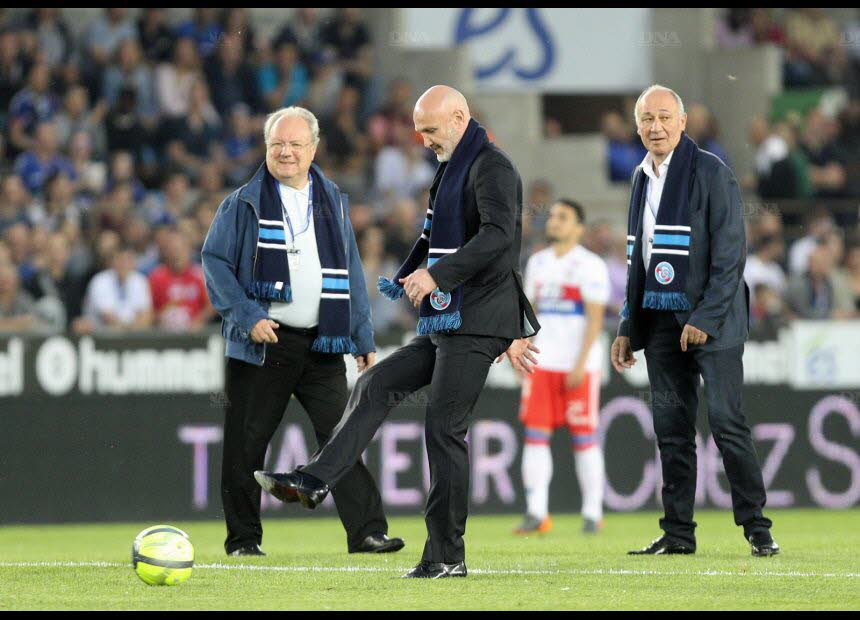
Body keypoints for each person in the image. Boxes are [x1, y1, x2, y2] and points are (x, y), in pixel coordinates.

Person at [254, 85, 541, 579]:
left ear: (458, 117)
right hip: (451, 317)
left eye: (429, 129)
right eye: (418, 131)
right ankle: (315, 480)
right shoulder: (454, 166)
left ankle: (447, 554)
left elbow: (499, 237)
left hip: (476, 319)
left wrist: (439, 276)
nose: (422, 140)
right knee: (376, 383)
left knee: (443, 429)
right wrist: (413, 269)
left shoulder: (492, 165)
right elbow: (436, 235)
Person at [201, 106, 403, 557]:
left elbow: (350, 270)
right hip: (262, 342)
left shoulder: (331, 197)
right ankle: (243, 541)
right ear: (266, 148)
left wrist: (362, 336)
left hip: (323, 341)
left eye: (295, 144)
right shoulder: (242, 202)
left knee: (342, 437)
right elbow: (214, 264)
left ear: (313, 148)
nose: (285, 152)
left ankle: (367, 533)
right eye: (277, 144)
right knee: (245, 445)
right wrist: (246, 316)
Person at [611, 85, 779, 557]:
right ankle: (678, 533)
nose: (655, 127)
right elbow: (638, 260)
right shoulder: (640, 178)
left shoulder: (712, 172)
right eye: (646, 118)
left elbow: (731, 256)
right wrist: (628, 325)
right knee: (671, 427)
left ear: (683, 122)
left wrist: (704, 316)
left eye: (664, 117)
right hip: (661, 320)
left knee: (727, 422)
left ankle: (757, 527)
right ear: (637, 124)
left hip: (715, 320)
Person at [514, 199, 608, 536]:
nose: (554, 222)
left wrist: (581, 363)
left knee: (584, 437)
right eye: (552, 216)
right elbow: (528, 313)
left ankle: (592, 512)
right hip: (542, 362)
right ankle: (537, 512)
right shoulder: (537, 262)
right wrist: (521, 349)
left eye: (563, 217)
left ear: (578, 227)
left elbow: (595, 320)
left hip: (576, 364)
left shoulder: (591, 265)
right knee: (536, 436)